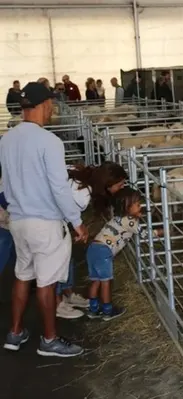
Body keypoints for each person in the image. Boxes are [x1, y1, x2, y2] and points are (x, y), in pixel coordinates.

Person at [0, 82, 88, 357]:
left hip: (18, 220)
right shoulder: (49, 141)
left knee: (22, 276)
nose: (52, 110)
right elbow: (59, 187)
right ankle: (49, 339)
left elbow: (6, 183)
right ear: (43, 105)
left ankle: (15, 332)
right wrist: (76, 221)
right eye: (51, 105)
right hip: (45, 222)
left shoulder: (6, 140)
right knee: (46, 283)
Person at [54, 162, 128, 319]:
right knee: (56, 261)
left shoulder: (81, 176)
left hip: (50, 217)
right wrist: (78, 228)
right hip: (48, 220)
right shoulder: (83, 195)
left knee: (66, 258)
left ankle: (67, 294)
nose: (121, 188)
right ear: (108, 183)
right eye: (120, 184)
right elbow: (65, 211)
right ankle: (57, 304)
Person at [87, 187, 162, 320]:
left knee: (95, 281)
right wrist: (160, 232)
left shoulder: (117, 218)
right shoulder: (130, 221)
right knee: (106, 282)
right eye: (137, 204)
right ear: (127, 207)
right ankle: (107, 311)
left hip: (93, 248)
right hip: (104, 251)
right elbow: (145, 234)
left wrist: (136, 215)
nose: (140, 207)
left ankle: (93, 309)